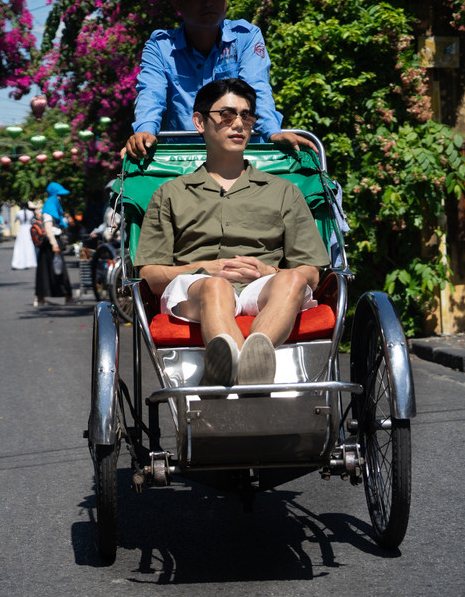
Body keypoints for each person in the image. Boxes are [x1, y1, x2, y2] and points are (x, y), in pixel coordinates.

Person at [135, 78, 329, 388]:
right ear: (199, 122)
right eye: (226, 115)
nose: (238, 123)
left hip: (263, 286)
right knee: (216, 288)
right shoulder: (170, 194)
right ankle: (243, 367)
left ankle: (249, 364)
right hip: (195, 289)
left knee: (294, 277)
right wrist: (206, 269)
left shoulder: (284, 191)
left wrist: (270, 270)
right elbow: (150, 275)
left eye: (247, 115)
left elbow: (312, 273)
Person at [124, 0, 316, 160]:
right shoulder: (160, 47)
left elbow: (257, 88)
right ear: (176, 2)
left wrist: (272, 132)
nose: (207, 2)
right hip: (183, 162)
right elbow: (151, 94)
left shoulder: (246, 37)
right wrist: (145, 132)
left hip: (244, 158)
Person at [35, 181, 75, 307]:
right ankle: (67, 297)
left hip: (49, 243)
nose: (60, 198)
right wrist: (54, 244)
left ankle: (40, 298)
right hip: (51, 243)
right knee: (58, 270)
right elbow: (48, 227)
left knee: (46, 271)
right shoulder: (50, 207)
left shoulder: (51, 205)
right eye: (59, 195)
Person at [11, 203, 37, 270]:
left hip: (22, 230)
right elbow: (33, 221)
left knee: (20, 246)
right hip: (29, 229)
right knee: (29, 245)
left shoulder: (19, 213)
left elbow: (15, 220)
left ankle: (18, 262)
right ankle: (30, 262)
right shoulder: (31, 213)